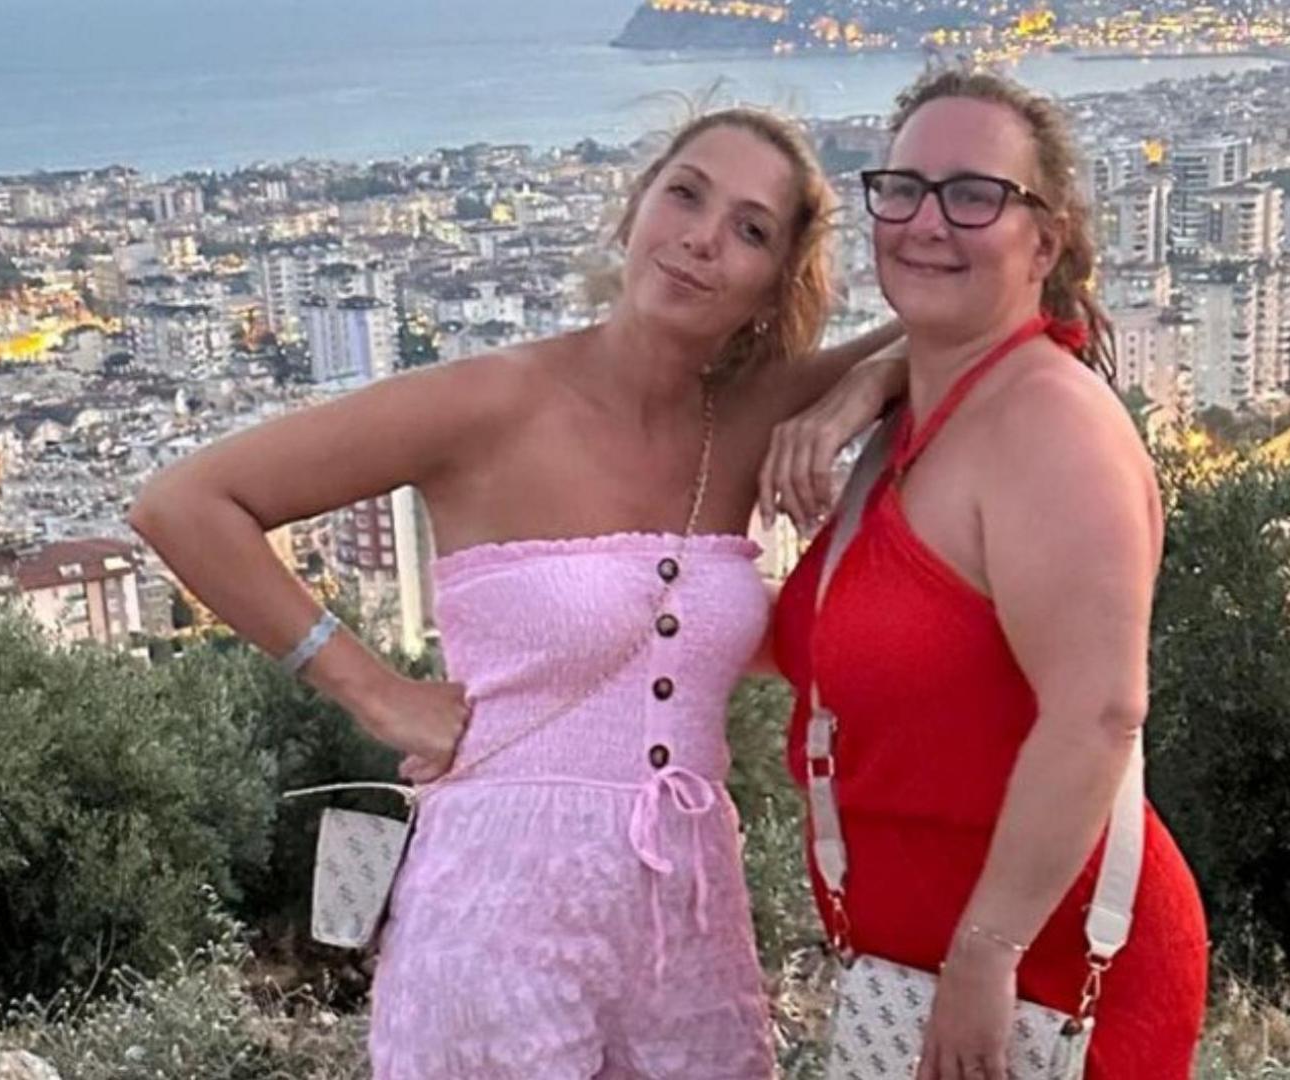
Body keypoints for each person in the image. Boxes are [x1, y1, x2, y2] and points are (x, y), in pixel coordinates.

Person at [129, 107, 903, 1079]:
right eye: (686, 194)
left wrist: (855, 393)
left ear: (772, 288)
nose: (705, 237)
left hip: (689, 922)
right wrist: (373, 691)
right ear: (634, 213)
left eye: (751, 229)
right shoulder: (492, 401)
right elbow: (184, 503)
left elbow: (962, 320)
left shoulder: (747, 421)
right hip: (500, 905)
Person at [768, 71, 1210, 1079]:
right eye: (904, 189)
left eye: (973, 195)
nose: (928, 222)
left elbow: (1097, 713)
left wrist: (986, 952)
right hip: (919, 976)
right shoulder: (926, 417)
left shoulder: (1051, 428)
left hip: (1043, 979)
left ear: (1043, 241)